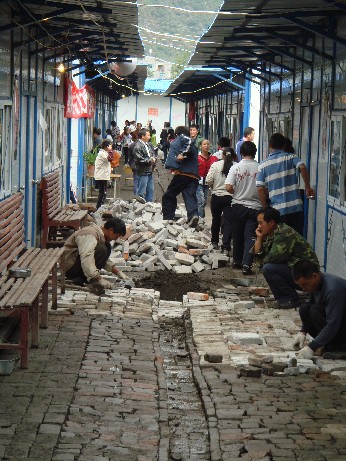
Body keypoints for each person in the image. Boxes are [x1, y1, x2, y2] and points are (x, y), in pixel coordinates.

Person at [253, 207, 319, 308]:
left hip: (307, 274)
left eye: (261, 223)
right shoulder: (272, 233)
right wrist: (259, 238)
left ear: (271, 222)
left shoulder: (284, 233)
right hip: (296, 270)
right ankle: (285, 297)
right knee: (268, 267)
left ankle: (289, 299)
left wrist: (261, 259)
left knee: (269, 269)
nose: (259, 226)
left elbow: (270, 259)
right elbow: (258, 255)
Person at [256, 133, 315, 235]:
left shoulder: (263, 165)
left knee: (280, 241)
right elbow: (302, 167)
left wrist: (265, 208)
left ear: (269, 145)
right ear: (284, 145)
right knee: (296, 240)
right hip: (295, 207)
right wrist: (307, 187)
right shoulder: (291, 157)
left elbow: (260, 188)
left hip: (277, 211)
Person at [292, 260, 346, 359]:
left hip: (341, 323)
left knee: (315, 310)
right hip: (338, 323)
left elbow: (332, 324)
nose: (303, 289)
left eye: (304, 284)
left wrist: (311, 347)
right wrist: (303, 331)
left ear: (315, 276)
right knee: (305, 308)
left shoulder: (332, 290)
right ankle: (329, 344)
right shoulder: (315, 284)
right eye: (300, 285)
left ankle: (340, 348)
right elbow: (310, 305)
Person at [64, 218, 133, 291]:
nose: (115, 239)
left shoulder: (99, 235)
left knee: (106, 247)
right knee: (102, 249)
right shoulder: (90, 235)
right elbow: (87, 258)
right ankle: (79, 278)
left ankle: (85, 277)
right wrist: (99, 279)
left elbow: (103, 260)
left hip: (76, 262)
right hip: (69, 267)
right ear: (111, 230)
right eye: (116, 236)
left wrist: (118, 272)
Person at [225, 141, 262, 275]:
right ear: (255, 153)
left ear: (241, 153)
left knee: (237, 234)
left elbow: (228, 187)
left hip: (238, 205)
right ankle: (247, 264)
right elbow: (263, 188)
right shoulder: (260, 168)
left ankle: (236, 261)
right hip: (255, 207)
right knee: (250, 236)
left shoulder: (236, 167)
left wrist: (237, 193)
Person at [162, 125, 199, 228]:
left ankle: (168, 218)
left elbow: (188, 144)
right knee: (189, 196)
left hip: (184, 173)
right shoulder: (193, 144)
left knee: (169, 194)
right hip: (194, 175)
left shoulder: (185, 138)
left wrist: (182, 154)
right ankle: (193, 216)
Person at [206, 149, 234, 253]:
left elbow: (208, 180)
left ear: (222, 155)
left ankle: (214, 242)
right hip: (230, 197)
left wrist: (213, 188)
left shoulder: (215, 165)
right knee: (228, 222)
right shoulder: (236, 166)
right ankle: (226, 246)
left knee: (216, 220)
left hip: (216, 197)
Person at [133, 128, 157, 203]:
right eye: (148, 135)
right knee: (141, 191)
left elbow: (152, 154)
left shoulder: (147, 145)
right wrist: (150, 160)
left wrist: (153, 162)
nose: (149, 137)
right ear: (143, 136)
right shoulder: (138, 146)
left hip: (149, 171)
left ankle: (148, 205)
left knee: (150, 190)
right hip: (142, 171)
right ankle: (138, 207)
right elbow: (139, 160)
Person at [94, 139, 112, 209]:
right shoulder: (102, 154)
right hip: (101, 176)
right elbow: (110, 159)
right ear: (107, 146)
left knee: (103, 193)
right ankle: (99, 207)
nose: (111, 147)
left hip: (103, 175)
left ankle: (100, 207)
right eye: (110, 146)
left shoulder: (104, 153)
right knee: (102, 193)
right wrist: (111, 151)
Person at [197, 139, 213, 218]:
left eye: (208, 144)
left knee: (204, 201)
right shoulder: (197, 158)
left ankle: (199, 217)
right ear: (200, 146)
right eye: (204, 144)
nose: (206, 146)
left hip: (207, 183)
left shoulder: (212, 158)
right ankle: (200, 220)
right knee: (201, 201)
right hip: (198, 182)